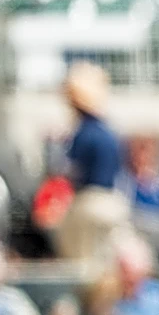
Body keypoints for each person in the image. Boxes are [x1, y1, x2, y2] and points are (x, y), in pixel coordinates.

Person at [55, 63, 129, 264]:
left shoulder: (85, 133)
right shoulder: (109, 131)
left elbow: (72, 171)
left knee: (81, 262)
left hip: (90, 202)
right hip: (112, 200)